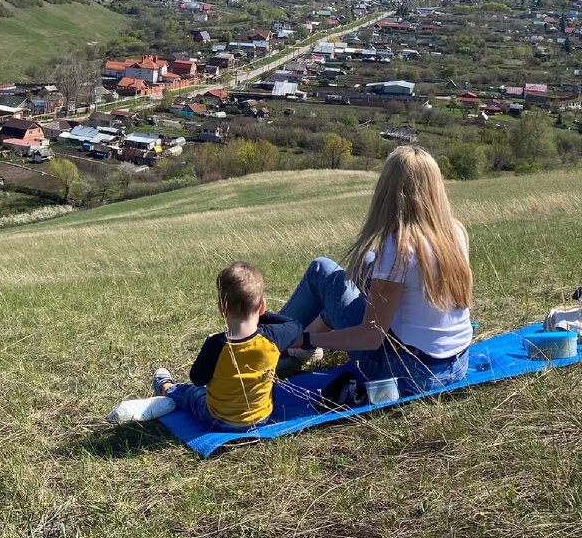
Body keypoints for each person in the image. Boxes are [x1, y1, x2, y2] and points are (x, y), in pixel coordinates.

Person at [279, 146, 473, 395]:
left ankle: (273, 338)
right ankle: (312, 332)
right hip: (457, 365)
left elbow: (370, 338)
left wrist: (306, 339)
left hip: (406, 374)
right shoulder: (454, 231)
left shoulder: (400, 245)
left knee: (322, 270)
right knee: (367, 261)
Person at [152, 261, 302, 431]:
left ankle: (167, 388)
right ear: (262, 306)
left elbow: (197, 379)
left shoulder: (215, 345)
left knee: (192, 392)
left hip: (217, 420)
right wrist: (258, 311)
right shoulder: (273, 337)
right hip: (261, 419)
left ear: (222, 309)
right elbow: (296, 325)